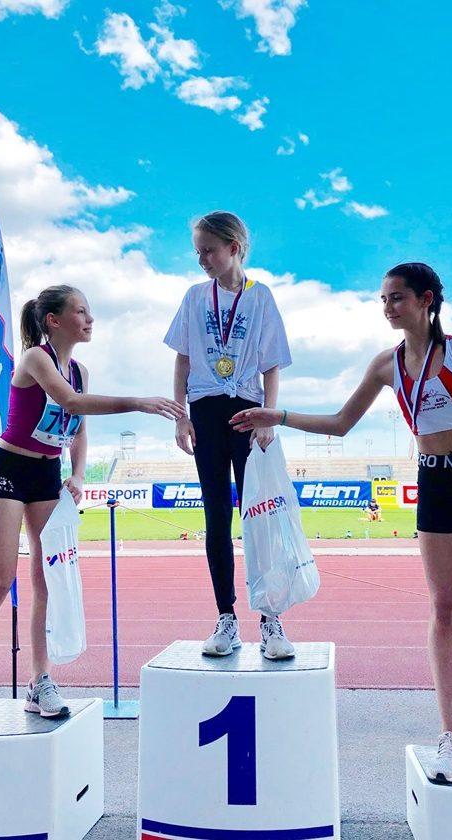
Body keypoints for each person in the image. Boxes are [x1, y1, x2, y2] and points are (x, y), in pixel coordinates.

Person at [231, 262, 452, 785]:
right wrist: (275, 415)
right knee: (445, 609)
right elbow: (340, 424)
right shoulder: (386, 365)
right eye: (383, 299)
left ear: (426, 300)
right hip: (436, 480)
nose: (388, 307)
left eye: (396, 297)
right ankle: (449, 736)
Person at [0, 285, 185, 722]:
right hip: (9, 469)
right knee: (0, 580)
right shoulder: (35, 358)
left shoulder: (81, 371)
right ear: (54, 320)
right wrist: (138, 402)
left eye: (90, 311)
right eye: (81, 311)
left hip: (47, 475)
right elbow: (70, 402)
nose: (90, 319)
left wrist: (77, 474)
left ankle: (40, 682)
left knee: (46, 581)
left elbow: (78, 426)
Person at [164, 211, 295, 660]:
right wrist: (181, 416)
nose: (202, 259)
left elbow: (271, 364)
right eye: (197, 252)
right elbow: (183, 359)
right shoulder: (194, 297)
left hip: (248, 410)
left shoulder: (260, 297)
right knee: (216, 517)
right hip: (205, 410)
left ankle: (271, 618)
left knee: (259, 515)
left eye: (209, 251)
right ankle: (226, 618)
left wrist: (268, 418)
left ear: (233, 248)